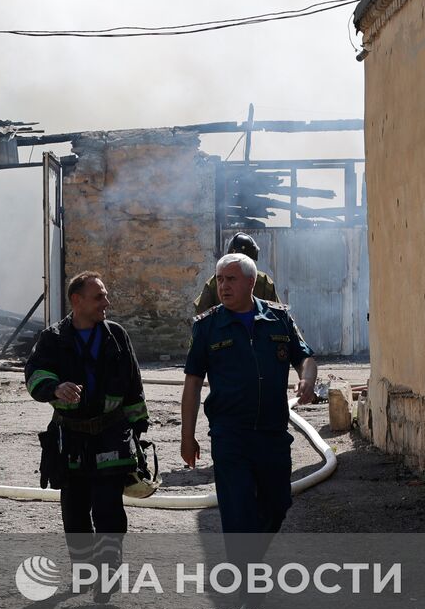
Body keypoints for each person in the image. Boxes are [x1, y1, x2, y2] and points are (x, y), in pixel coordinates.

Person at [25, 272, 150, 583]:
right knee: (75, 511)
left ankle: (108, 573)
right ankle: (84, 573)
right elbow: (34, 375)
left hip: (111, 435)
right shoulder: (53, 339)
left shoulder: (116, 335)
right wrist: (54, 387)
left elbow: (134, 385)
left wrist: (138, 431)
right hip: (71, 439)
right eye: (99, 297)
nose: (106, 303)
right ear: (76, 300)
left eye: (105, 296)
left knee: (109, 509)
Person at [181, 253, 317, 534]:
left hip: (272, 434)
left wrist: (307, 379)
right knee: (238, 515)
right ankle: (245, 573)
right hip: (231, 435)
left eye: (231, 279)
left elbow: (304, 357)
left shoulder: (278, 319)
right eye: (220, 279)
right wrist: (187, 435)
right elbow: (193, 382)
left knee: (277, 504)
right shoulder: (208, 326)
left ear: (251, 282)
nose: (223, 286)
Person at [193, 232, 278, 314]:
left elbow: (275, 313)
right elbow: (203, 312)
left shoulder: (264, 282)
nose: (224, 285)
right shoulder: (215, 281)